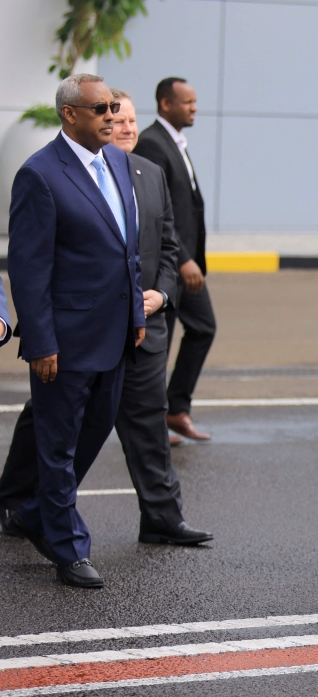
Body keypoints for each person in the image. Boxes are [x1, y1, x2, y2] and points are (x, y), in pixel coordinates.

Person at [0, 91, 213, 548]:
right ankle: (30, 514)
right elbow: (31, 264)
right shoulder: (52, 174)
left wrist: (158, 295)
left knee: (140, 424)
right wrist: (40, 336)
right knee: (48, 429)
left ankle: (160, 516)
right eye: (115, 115)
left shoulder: (145, 174)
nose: (124, 124)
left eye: (129, 117)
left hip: (136, 330)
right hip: (73, 333)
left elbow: (161, 248)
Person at [6, 74, 145, 588]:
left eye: (114, 107)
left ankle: (36, 513)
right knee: (57, 446)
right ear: (69, 114)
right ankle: (68, 549)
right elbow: (28, 268)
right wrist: (39, 341)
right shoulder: (39, 175)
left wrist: (135, 316)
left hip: (114, 335)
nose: (113, 116)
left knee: (94, 433)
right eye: (101, 109)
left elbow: (126, 250)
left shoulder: (115, 162)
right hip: (63, 342)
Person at [133, 77, 215, 444]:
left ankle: (176, 408)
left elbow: (188, 206)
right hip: (173, 265)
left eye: (195, 102)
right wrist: (183, 258)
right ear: (166, 105)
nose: (194, 108)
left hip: (189, 266)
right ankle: (151, 421)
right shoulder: (151, 143)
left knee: (203, 327)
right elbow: (158, 214)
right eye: (187, 102)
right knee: (158, 345)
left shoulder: (175, 142)